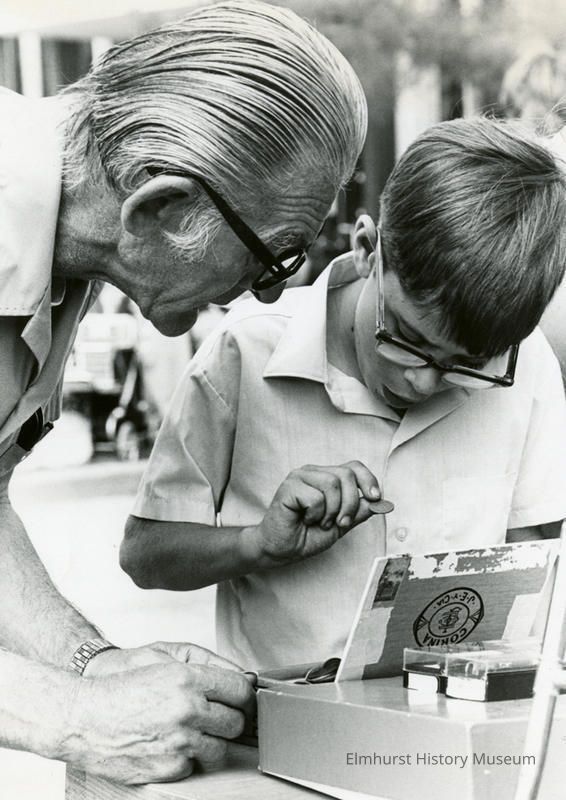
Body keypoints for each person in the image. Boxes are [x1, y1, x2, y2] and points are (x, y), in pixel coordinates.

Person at [0, 0, 367, 785]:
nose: (272, 296)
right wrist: (68, 715)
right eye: (276, 256)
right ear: (161, 209)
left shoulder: (68, 247)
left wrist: (91, 663)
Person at [122, 117, 566, 672]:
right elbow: (145, 555)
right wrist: (256, 543)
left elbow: (533, 563)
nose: (423, 382)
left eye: (466, 366)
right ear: (367, 249)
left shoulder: (526, 367)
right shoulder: (245, 352)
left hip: (460, 714)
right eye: (406, 339)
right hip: (283, 717)